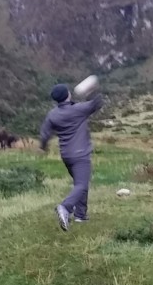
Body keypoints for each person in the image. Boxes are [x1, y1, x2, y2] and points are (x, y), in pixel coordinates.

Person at [39, 83, 105, 231]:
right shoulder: (78, 109)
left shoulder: (52, 114)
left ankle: (81, 215)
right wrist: (92, 89)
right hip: (80, 154)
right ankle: (65, 207)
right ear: (68, 94)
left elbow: (44, 134)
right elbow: (97, 103)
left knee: (79, 184)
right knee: (82, 185)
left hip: (66, 155)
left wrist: (42, 147)